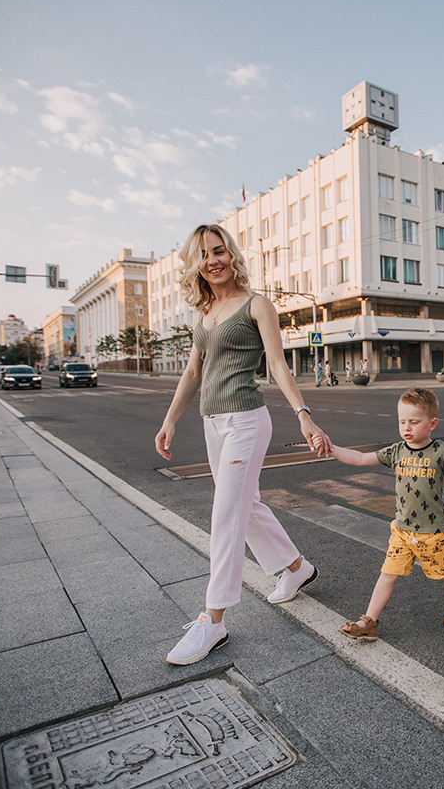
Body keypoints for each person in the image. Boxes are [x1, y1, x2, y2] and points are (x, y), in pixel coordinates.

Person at [155, 223, 330, 666]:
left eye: (219, 251)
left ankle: (213, 621)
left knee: (226, 514)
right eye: (203, 255)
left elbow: (276, 362)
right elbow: (194, 374)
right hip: (213, 423)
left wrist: (304, 415)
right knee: (245, 505)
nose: (213, 260)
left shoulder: (256, 305)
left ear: (231, 255)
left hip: (248, 421)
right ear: (195, 265)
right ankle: (295, 569)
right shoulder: (204, 314)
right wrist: (169, 421)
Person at [324, 388, 444, 641]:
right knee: (388, 573)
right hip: (401, 530)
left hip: (433, 531)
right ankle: (369, 621)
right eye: (401, 421)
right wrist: (332, 450)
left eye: (413, 421)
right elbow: (362, 458)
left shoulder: (440, 450)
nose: (406, 427)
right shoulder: (397, 451)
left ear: (432, 424)